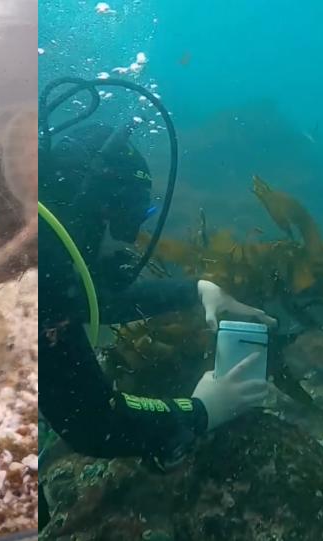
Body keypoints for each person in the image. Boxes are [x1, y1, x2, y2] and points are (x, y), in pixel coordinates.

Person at [38, 121, 276, 467]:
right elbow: (95, 422)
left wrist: (195, 290)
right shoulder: (46, 261)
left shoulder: (41, 246)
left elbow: (91, 303)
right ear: (90, 204)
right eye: (127, 219)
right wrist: (203, 410)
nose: (130, 239)